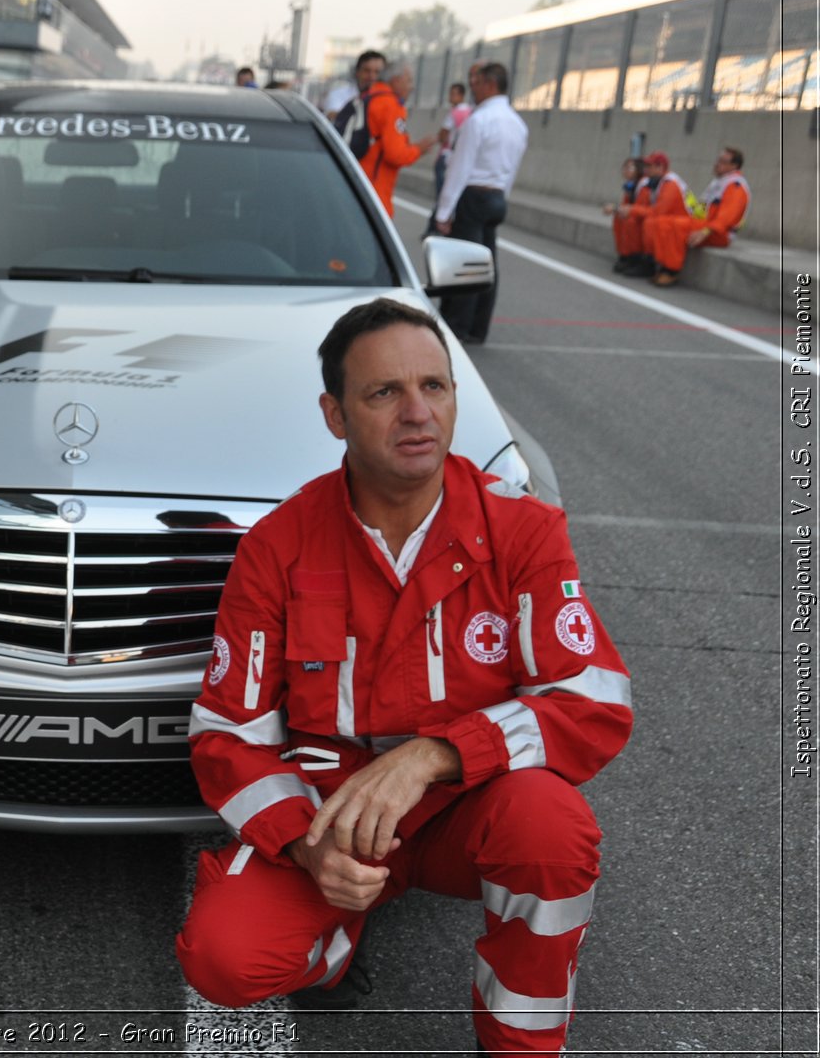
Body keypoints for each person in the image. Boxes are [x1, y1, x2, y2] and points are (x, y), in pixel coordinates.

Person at [175, 297, 633, 1058]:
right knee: (221, 956)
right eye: (384, 392)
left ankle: (520, 1043)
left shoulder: (523, 530)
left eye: (435, 387)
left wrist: (434, 755)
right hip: (333, 815)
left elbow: (592, 699)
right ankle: (335, 943)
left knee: (552, 826)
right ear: (335, 414)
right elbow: (228, 737)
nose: (417, 412)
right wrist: (304, 847)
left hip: (467, 806)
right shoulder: (277, 545)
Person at [434, 62, 527, 346]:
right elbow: (511, 170)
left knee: (465, 263)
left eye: (476, 82)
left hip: (473, 195)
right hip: (497, 196)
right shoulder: (517, 123)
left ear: (489, 84)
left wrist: (444, 210)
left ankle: (456, 326)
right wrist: (501, 198)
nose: (471, 87)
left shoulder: (478, 120)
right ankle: (478, 328)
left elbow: (460, 168)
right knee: (489, 265)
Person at [641, 147, 750, 287]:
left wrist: (705, 231)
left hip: (719, 233)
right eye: (718, 160)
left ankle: (671, 271)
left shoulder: (735, 185)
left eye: (722, 161)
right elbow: (701, 209)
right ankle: (660, 265)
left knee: (676, 226)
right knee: (661, 222)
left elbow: (727, 216)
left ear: (734, 166)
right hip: (705, 225)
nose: (717, 164)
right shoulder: (720, 182)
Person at [356, 62, 436, 216]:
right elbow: (395, 154)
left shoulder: (368, 97)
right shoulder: (391, 105)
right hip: (374, 193)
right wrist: (418, 149)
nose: (411, 87)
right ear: (396, 80)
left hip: (356, 184)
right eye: (409, 80)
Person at [607, 150, 685, 276]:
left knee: (649, 222)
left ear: (660, 167)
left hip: (685, 219)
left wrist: (629, 210)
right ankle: (629, 256)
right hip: (676, 218)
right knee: (628, 218)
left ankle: (664, 269)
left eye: (649, 166)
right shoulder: (655, 182)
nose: (646, 169)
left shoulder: (670, 184)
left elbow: (658, 211)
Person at [433, 82, 470, 199]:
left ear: (461, 95)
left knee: (442, 186)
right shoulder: (470, 112)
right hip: (462, 155)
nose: (450, 97)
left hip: (447, 154)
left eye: (453, 94)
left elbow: (443, 134)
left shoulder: (454, 113)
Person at [323, 49, 385, 119]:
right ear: (357, 72)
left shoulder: (389, 100)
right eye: (367, 70)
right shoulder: (338, 94)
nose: (372, 76)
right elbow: (332, 116)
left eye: (377, 72)